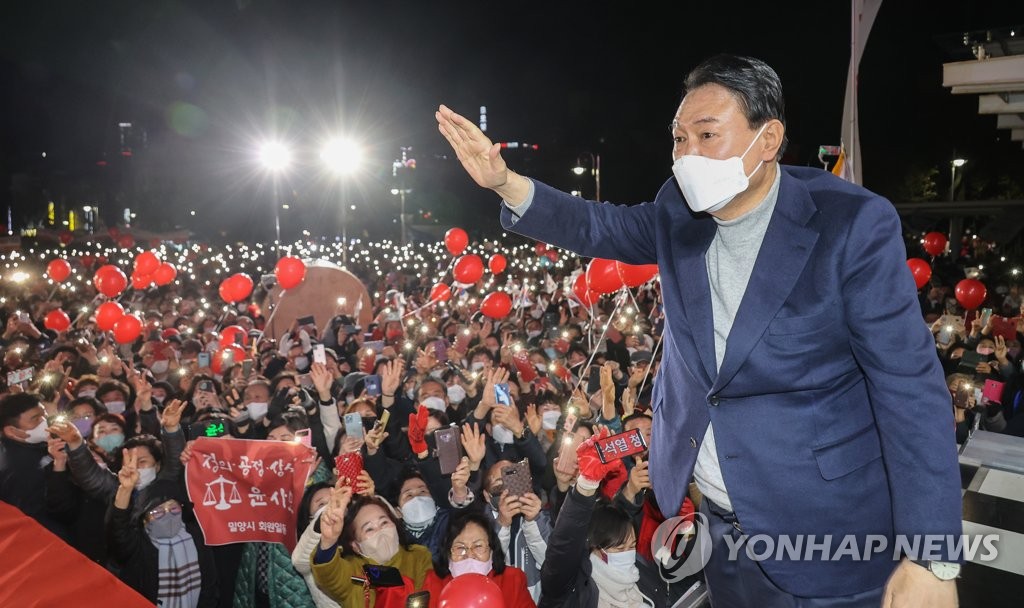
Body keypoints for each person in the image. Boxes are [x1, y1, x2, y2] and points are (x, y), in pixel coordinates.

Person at [437, 53, 962, 606]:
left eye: (706, 135)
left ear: (768, 139)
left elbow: (910, 389)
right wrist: (505, 183)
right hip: (718, 529)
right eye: (678, 138)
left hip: (826, 530)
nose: (687, 155)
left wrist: (932, 558)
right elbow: (598, 224)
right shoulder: (678, 211)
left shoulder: (851, 225)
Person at [107, 448, 219, 607]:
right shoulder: (138, 542)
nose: (167, 515)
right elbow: (117, 532)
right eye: (157, 512)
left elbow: (209, 585)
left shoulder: (195, 536)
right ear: (144, 518)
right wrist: (125, 490)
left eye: (173, 508)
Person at [310, 490, 433, 608]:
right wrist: (328, 541)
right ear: (355, 545)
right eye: (369, 529)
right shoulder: (354, 571)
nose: (380, 530)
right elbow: (330, 575)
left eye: (384, 522)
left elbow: (430, 595)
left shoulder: (419, 556)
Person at [423, 510, 536, 608]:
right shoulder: (433, 582)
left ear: (491, 550)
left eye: (478, 546)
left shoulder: (513, 580)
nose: (470, 555)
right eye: (460, 548)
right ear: (448, 552)